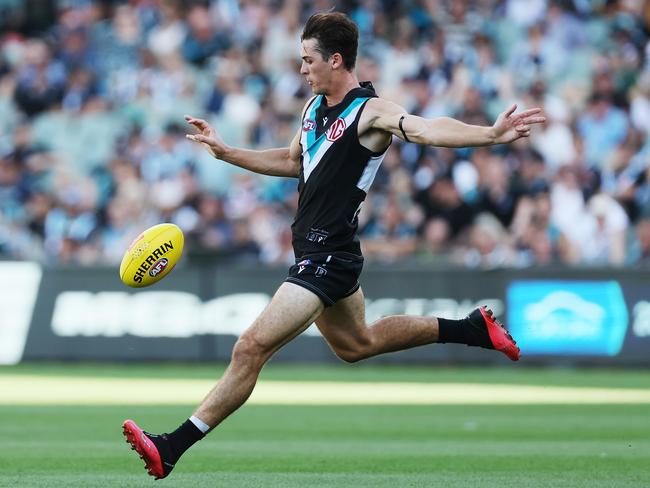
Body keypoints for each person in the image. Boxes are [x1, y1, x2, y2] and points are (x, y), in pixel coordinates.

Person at [122, 11, 544, 480]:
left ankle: (173, 446)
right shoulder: (311, 110)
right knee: (356, 344)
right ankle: (469, 328)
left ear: (336, 60)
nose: (301, 69)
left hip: (329, 255)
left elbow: (426, 128)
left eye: (308, 60)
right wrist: (227, 152)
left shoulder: (370, 111)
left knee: (250, 347)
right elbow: (290, 161)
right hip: (315, 253)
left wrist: (489, 134)